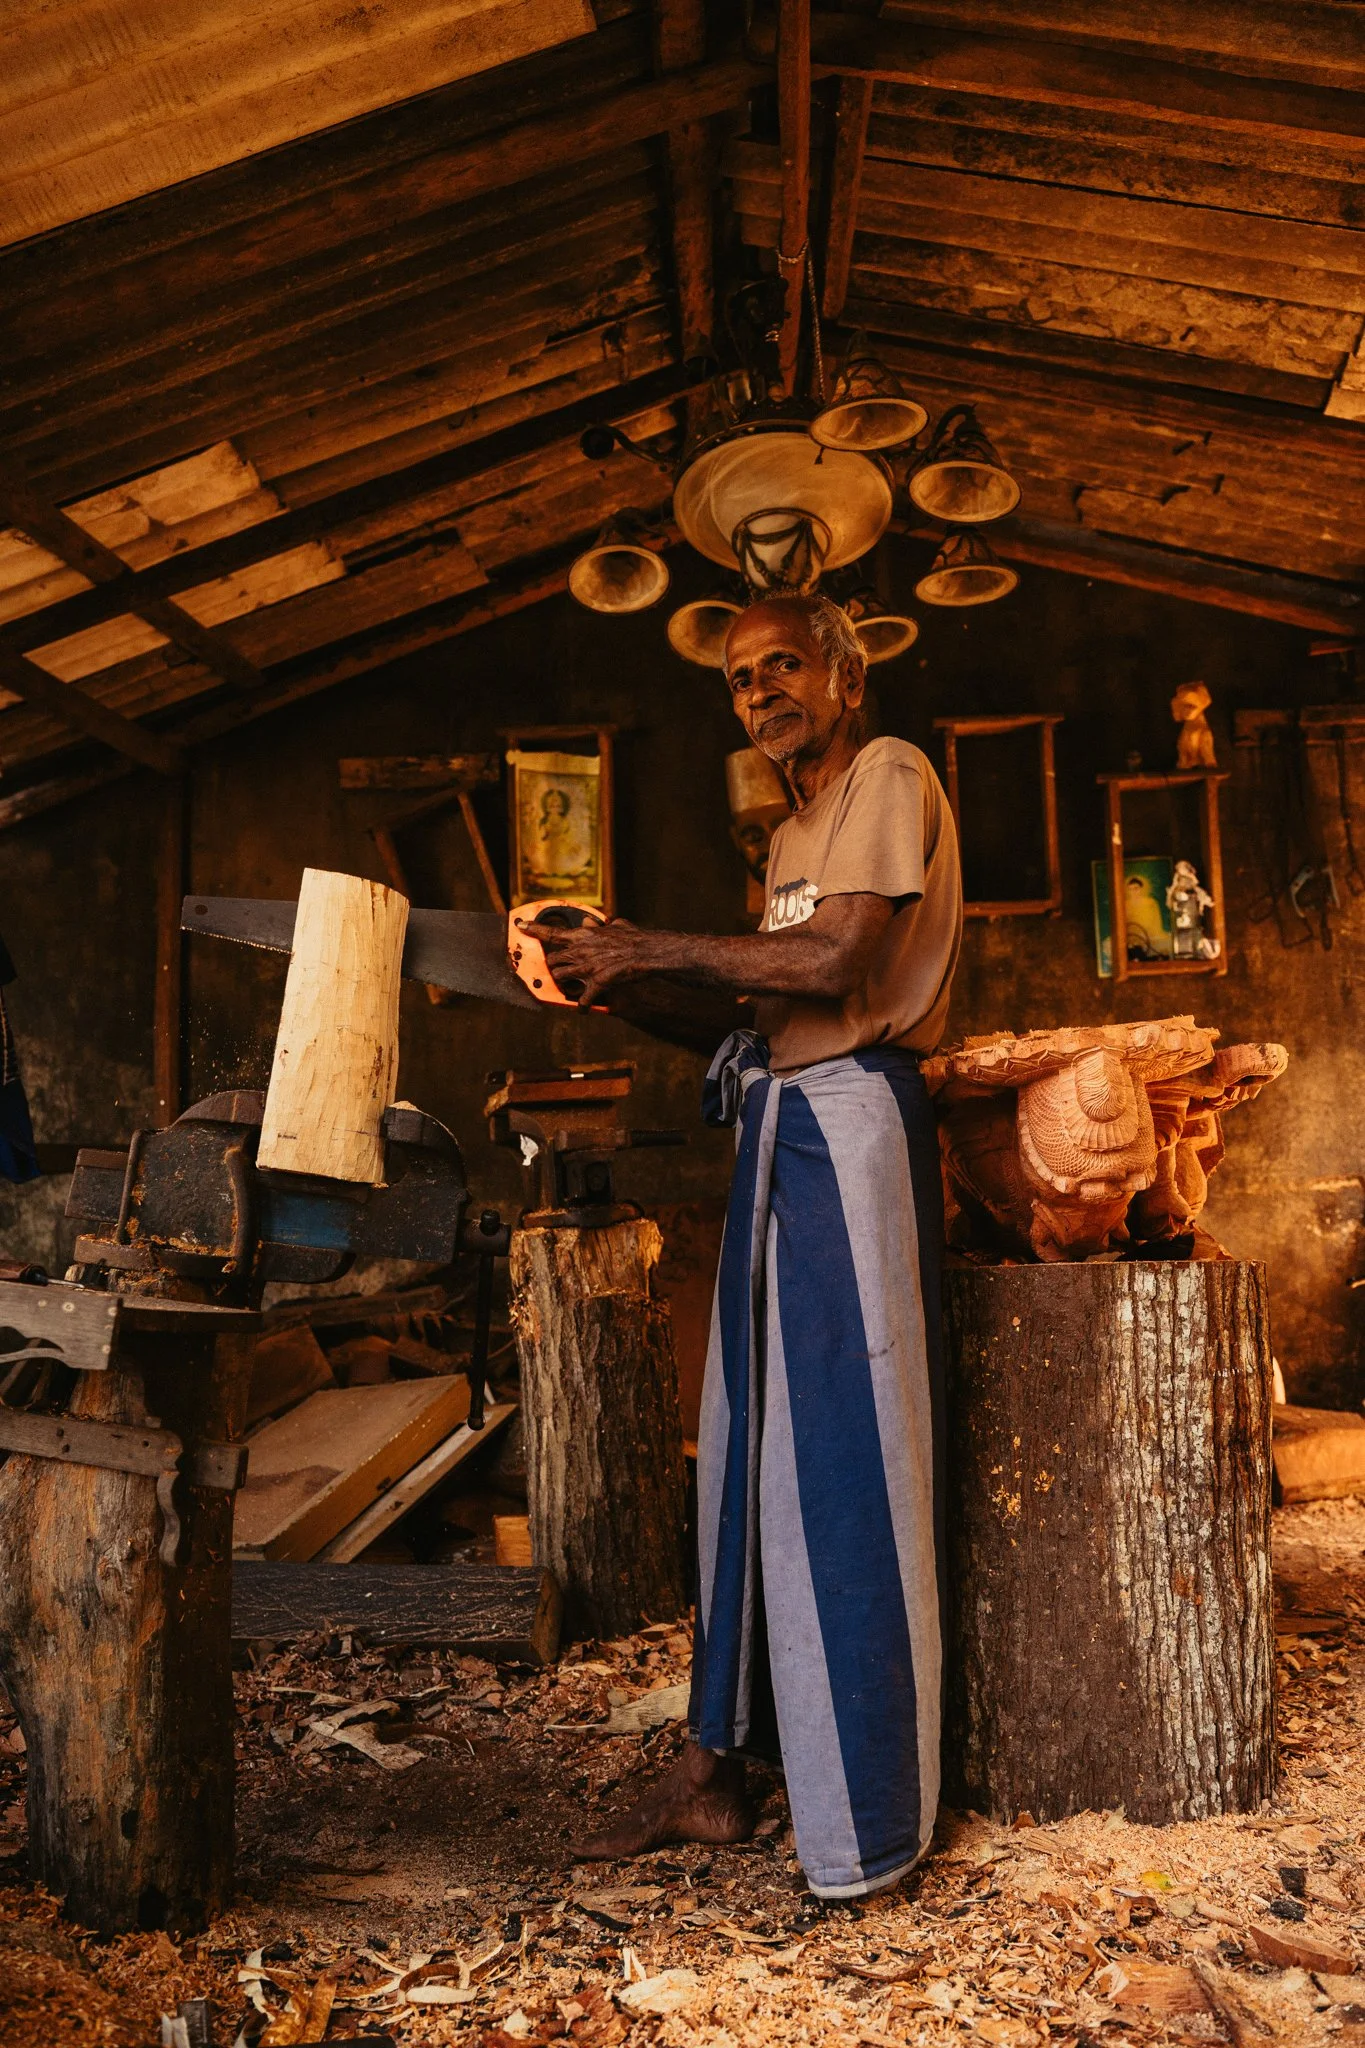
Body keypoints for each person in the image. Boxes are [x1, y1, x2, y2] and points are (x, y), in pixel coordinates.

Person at [522, 592, 962, 1902]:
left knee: (842, 1473)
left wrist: (643, 940)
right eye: (740, 679)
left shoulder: (888, 774)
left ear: (848, 670)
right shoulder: (789, 831)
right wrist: (603, 977)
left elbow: (836, 962)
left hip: (852, 1130)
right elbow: (761, 1004)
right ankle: (716, 1774)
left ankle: (862, 1821)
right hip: (780, 1129)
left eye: (785, 666)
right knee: (745, 1471)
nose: (762, 691)